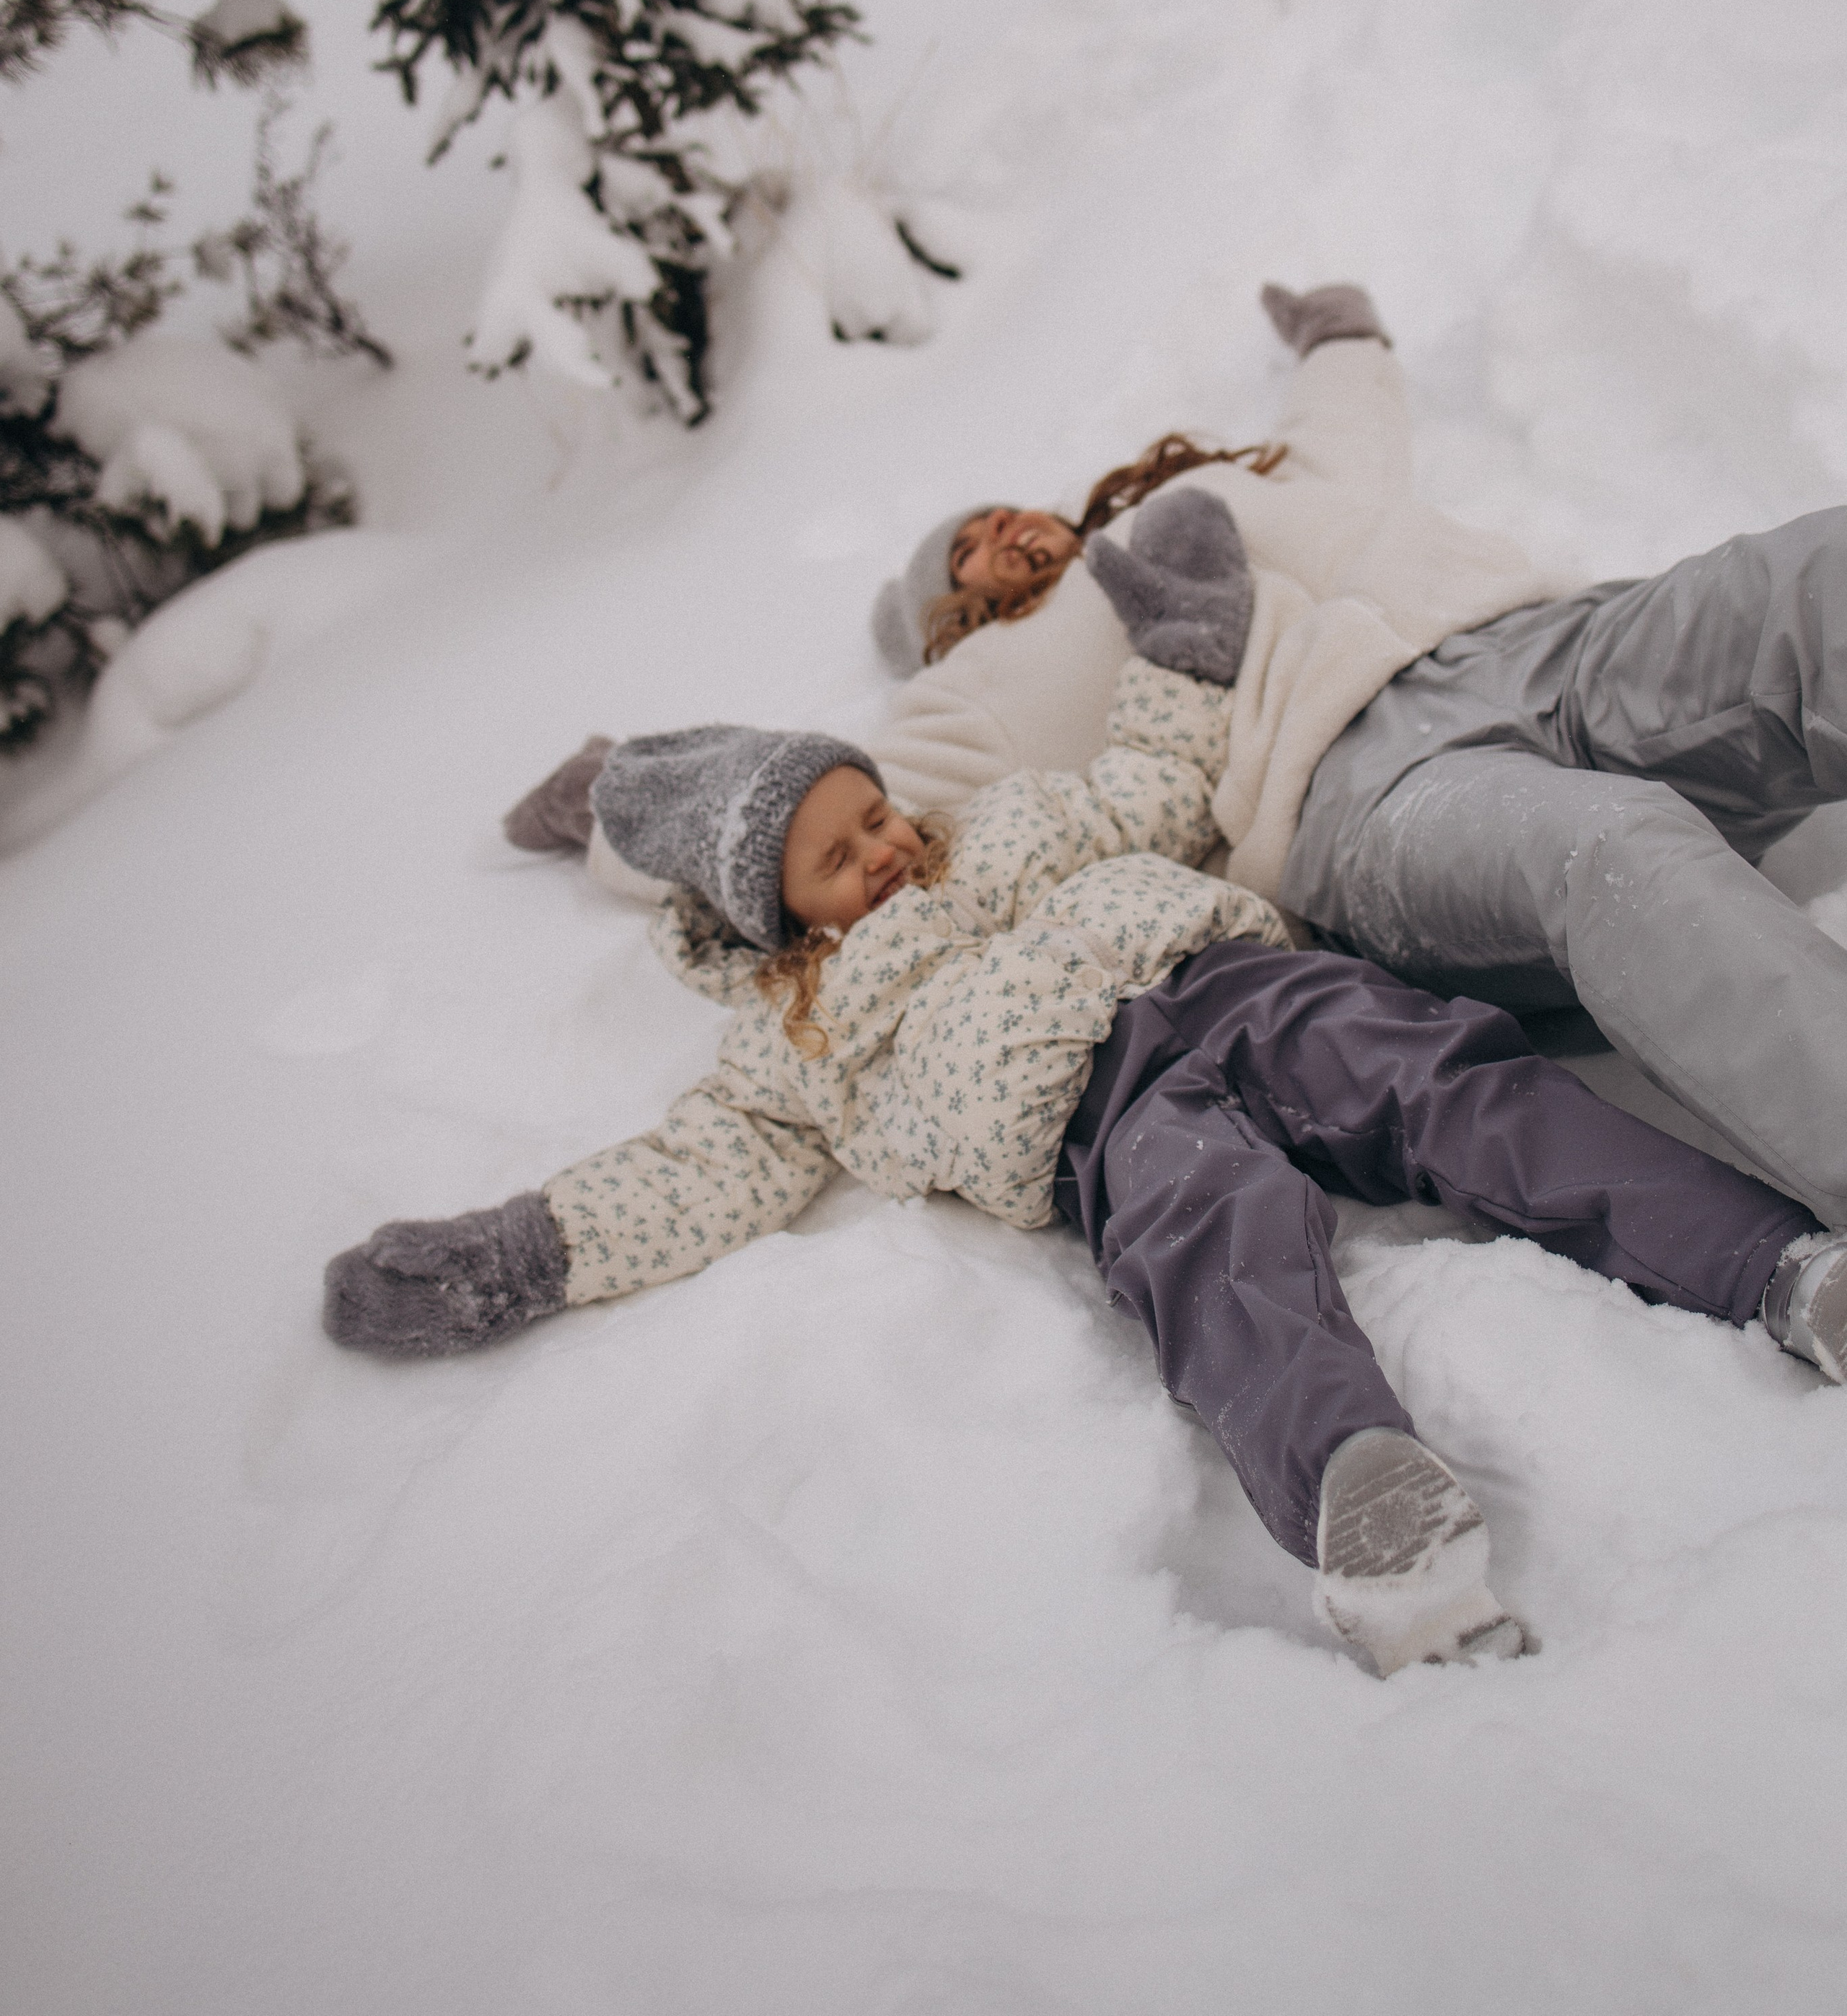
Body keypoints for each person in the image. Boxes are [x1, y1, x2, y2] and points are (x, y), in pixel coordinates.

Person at [328, 496, 1847, 1680]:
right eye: (839, 857)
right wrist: (525, 1250)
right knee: (1215, 1259)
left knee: (1466, 1094)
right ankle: (1357, 1490)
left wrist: (1185, 637)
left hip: (1235, 987)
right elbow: (690, 1172)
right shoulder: (789, 1047)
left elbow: (1154, 779)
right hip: (1104, 1127)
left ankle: (1776, 1269)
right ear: (772, 915)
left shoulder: (998, 830)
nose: (885, 849)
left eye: (875, 814)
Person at [843, 281, 1847, 1235]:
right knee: (1610, 850)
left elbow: (1341, 440)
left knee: (1804, 587)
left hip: (1536, 642)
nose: (1000, 529)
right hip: (1360, 793)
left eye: (996, 512)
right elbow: (854, 809)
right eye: (967, 549)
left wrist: (1339, 337)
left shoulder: (1195, 495)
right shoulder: (987, 681)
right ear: (949, 615)